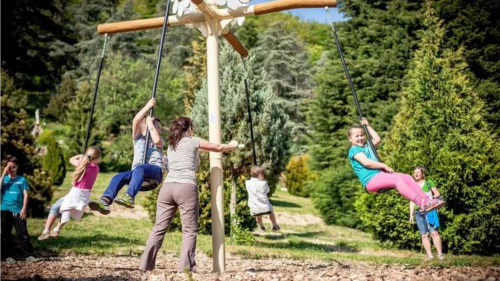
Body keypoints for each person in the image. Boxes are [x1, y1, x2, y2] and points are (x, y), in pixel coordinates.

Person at [139, 117, 240, 273]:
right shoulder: (193, 141)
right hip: (185, 187)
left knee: (159, 228)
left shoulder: (172, 145)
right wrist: (233, 145)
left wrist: (150, 124)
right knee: (189, 231)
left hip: (167, 188)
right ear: (189, 128)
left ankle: (145, 265)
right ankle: (185, 269)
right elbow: (218, 147)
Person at [347, 118, 445, 211]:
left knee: (407, 178)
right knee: (396, 179)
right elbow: (367, 163)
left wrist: (367, 126)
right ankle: (421, 202)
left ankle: (427, 201)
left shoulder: (367, 146)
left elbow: (377, 139)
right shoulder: (354, 150)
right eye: (357, 136)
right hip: (371, 180)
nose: (360, 138)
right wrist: (384, 166)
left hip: (380, 175)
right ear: (350, 138)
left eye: (361, 135)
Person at [89, 99, 164, 214]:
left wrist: (150, 124)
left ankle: (129, 197)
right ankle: (105, 201)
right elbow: (135, 121)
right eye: (158, 127)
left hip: (155, 172)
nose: (160, 130)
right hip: (138, 173)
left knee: (140, 168)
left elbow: (157, 139)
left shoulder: (159, 142)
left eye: (159, 128)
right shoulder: (138, 139)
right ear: (145, 127)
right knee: (118, 176)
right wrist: (147, 106)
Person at [38, 147, 101, 241]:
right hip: (84, 195)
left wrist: (81, 156)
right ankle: (57, 229)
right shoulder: (96, 168)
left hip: (75, 193)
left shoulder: (82, 164)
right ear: (97, 158)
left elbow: (71, 159)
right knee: (68, 209)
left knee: (57, 207)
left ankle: (47, 230)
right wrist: (85, 158)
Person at [1, 157, 34, 257]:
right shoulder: (4, 179)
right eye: (9, 167)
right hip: (4, 209)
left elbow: (26, 195)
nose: (12, 169)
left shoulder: (22, 179)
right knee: (5, 233)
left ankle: (28, 254)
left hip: (18, 210)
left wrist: (24, 209)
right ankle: (7, 255)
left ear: (17, 167)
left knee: (23, 232)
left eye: (14, 167)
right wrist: (3, 173)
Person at [409, 166, 444, 260]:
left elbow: (437, 194)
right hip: (419, 212)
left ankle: (440, 255)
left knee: (434, 232)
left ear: (422, 174)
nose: (416, 174)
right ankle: (430, 256)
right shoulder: (412, 185)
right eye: (415, 172)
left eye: (418, 172)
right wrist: (411, 215)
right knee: (424, 234)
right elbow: (412, 200)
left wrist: (431, 201)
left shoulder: (429, 182)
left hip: (430, 210)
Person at [245, 165, 280, 231]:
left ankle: (261, 226)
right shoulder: (263, 183)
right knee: (271, 212)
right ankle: (274, 225)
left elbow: (250, 181)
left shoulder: (247, 183)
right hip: (265, 207)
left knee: (257, 215)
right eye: (263, 175)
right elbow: (267, 190)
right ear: (260, 175)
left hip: (254, 207)